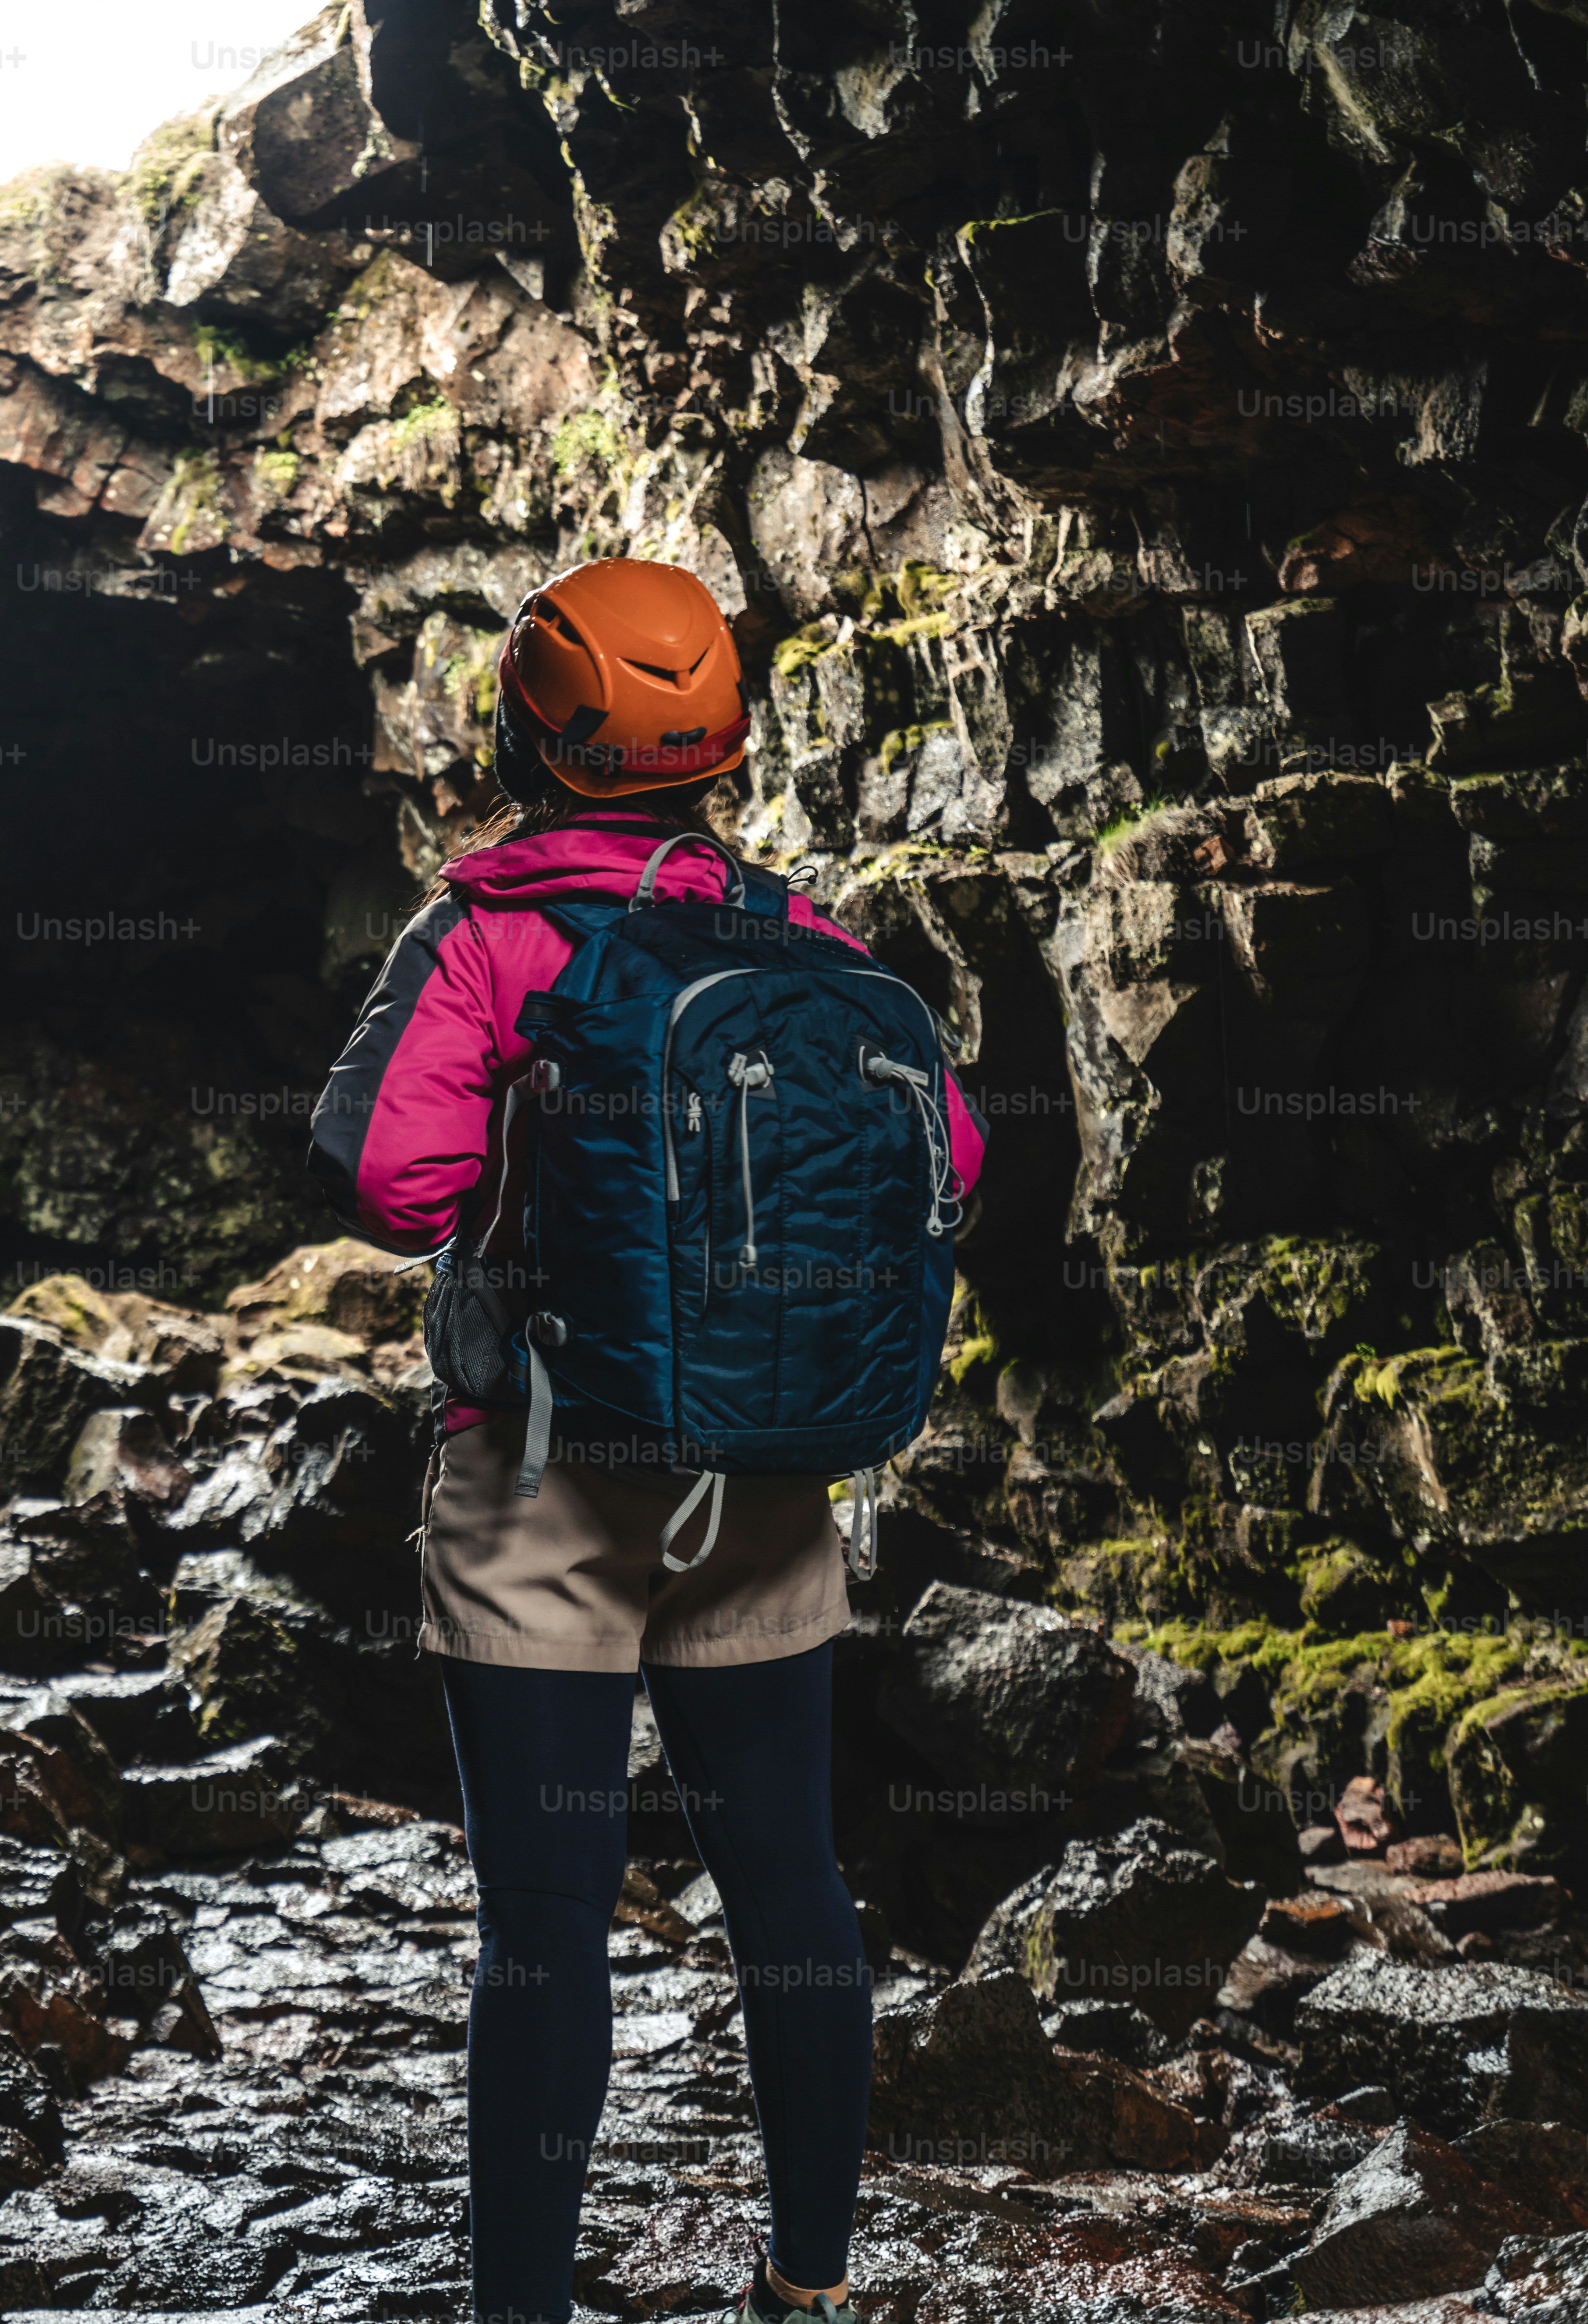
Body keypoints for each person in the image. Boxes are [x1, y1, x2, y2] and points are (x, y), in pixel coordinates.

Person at [304, 557, 986, 2324]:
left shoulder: (486, 932)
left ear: (529, 726)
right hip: (763, 1481)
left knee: (544, 1920)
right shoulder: (805, 941)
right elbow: (953, 1168)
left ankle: (522, 2312)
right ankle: (808, 2283)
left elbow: (388, 1176)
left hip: (542, 1476)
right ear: (720, 743)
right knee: (786, 1878)